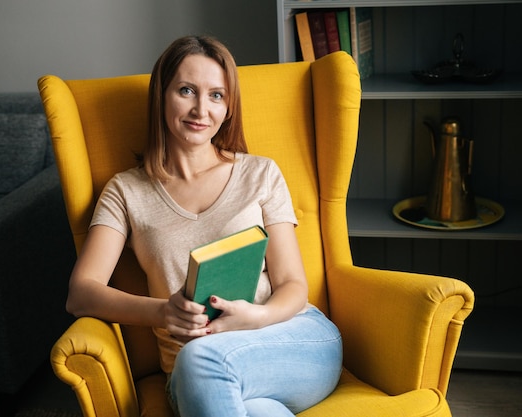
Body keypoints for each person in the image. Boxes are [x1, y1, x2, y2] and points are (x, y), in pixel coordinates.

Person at [65, 35, 343, 417]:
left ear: (229, 108)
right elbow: (81, 294)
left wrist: (255, 317)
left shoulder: (261, 174)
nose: (201, 109)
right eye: (186, 91)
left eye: (216, 95)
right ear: (161, 96)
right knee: (245, 400)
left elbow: (294, 285)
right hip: (193, 370)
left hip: (292, 339)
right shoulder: (126, 191)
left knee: (202, 360)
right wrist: (164, 312)